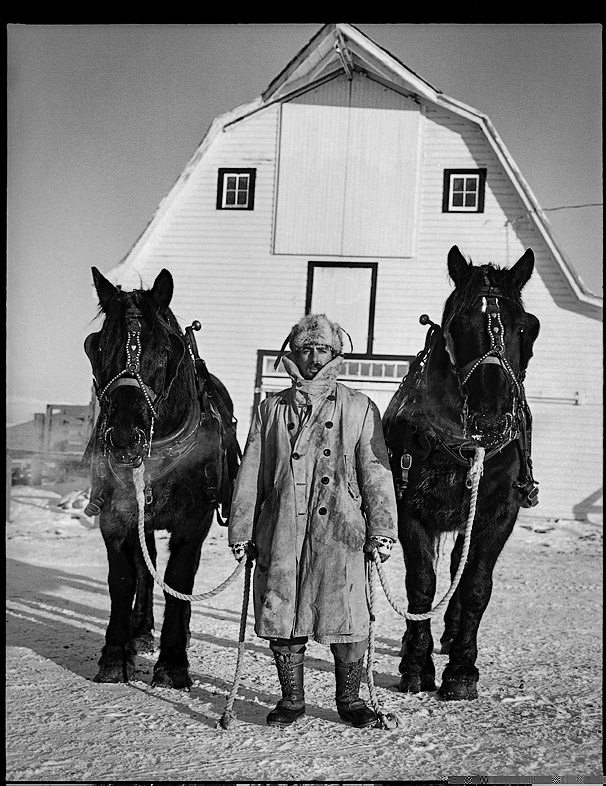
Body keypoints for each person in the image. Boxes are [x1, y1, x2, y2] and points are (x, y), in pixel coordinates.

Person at [228, 314, 398, 728]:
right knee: (282, 611)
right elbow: (251, 471)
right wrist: (242, 529)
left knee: (346, 614)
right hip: (281, 528)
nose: (313, 357)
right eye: (306, 349)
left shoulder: (359, 408)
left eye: (322, 349)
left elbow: (377, 472)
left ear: (336, 355)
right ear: (294, 353)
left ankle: (351, 700)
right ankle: (291, 699)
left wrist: (382, 529)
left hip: (341, 530)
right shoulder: (271, 409)